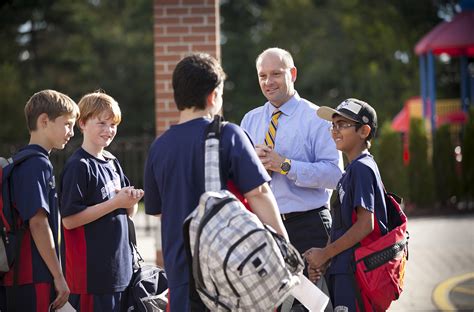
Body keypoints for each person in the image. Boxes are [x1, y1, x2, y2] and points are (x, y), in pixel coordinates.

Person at [144, 53, 288, 311]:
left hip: (180, 276)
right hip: (227, 274)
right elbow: (260, 193)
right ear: (213, 96)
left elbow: (156, 209)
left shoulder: (159, 147)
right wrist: (284, 248)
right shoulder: (228, 134)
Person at [240, 47, 342, 304]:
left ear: (293, 74)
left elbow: (335, 175)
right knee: (269, 305)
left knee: (313, 306)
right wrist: (252, 167)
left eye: (275, 74)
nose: (268, 82)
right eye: (262, 76)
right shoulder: (249, 121)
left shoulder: (317, 118)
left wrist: (285, 165)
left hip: (309, 228)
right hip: (262, 231)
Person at [59, 91, 144, 311]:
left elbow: (127, 214)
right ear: (83, 123)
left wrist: (130, 201)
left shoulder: (112, 162)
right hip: (91, 277)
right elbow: (69, 220)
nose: (109, 130)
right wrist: (115, 203)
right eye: (102, 123)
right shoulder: (78, 166)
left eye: (113, 124)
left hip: (120, 270)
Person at [0, 90, 78, 311]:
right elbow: (38, 223)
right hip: (33, 275)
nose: (72, 132)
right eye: (68, 124)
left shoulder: (22, 160)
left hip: (19, 275)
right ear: (44, 121)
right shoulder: (37, 164)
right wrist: (58, 276)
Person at [304, 98, 384, 311]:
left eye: (343, 125)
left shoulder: (362, 168)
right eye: (334, 125)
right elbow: (343, 224)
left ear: (364, 131)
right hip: (343, 270)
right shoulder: (350, 170)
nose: (335, 130)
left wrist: (326, 254)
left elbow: (366, 224)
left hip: (355, 274)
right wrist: (324, 259)